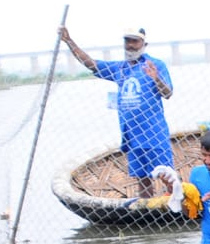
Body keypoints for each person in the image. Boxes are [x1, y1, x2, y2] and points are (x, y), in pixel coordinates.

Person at [59, 25, 173, 199]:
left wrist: (156, 78)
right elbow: (91, 63)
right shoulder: (120, 68)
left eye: (135, 41)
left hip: (154, 134)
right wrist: (68, 41)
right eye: (127, 41)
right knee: (142, 179)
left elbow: (168, 93)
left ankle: (177, 207)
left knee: (167, 176)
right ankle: (146, 213)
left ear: (144, 43)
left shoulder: (155, 65)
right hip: (132, 137)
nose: (131, 45)